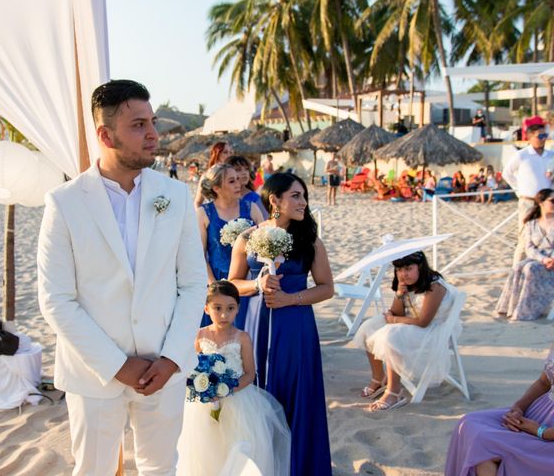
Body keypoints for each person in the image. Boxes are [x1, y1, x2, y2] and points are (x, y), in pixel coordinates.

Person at [37, 80, 207, 476]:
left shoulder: (176, 195)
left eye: (152, 122)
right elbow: (56, 299)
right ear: (104, 134)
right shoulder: (64, 203)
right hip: (94, 372)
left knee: (161, 467)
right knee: (93, 470)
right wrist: (116, 364)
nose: (152, 135)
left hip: (163, 368)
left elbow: (193, 283)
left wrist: (171, 358)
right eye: (138, 125)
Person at [229, 173, 334, 475]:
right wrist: (257, 285)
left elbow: (327, 287)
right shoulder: (247, 237)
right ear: (275, 200)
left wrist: (291, 299)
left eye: (304, 196)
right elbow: (232, 283)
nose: (303, 202)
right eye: (296, 196)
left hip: (295, 326)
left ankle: (298, 465)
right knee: (257, 388)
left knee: (295, 390)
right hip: (254, 323)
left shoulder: (310, 240)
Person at [176, 281, 291, 476]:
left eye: (230, 308)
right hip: (204, 404)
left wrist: (227, 388)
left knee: (236, 445)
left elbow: (250, 373)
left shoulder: (242, 337)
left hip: (238, 401)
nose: (223, 314)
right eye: (217, 308)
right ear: (206, 308)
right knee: (205, 449)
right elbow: (191, 368)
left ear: (238, 309)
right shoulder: (200, 335)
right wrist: (202, 387)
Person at [353, 251, 458, 411]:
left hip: (433, 331)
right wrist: (400, 294)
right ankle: (379, 377)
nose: (403, 274)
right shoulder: (408, 283)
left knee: (390, 335)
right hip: (412, 323)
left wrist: (394, 321)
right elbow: (397, 312)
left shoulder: (435, 286)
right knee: (369, 326)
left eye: (408, 269)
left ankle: (394, 391)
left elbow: (423, 322)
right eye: (399, 270)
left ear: (420, 267)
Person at [444, 343, 554, 476]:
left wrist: (540, 431)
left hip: (548, 435)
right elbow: (544, 383)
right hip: (539, 412)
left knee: (483, 444)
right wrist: (518, 407)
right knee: (468, 423)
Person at [197, 164, 264, 327]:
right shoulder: (204, 213)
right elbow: (199, 254)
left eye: (238, 180)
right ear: (217, 188)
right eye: (232, 181)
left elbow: (265, 241)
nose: (239, 185)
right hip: (217, 278)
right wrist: (214, 286)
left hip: (248, 280)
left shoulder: (252, 208)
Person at [496, 188, 554, 321]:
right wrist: (544, 259)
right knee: (518, 266)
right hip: (540, 258)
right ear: (541, 203)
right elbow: (529, 248)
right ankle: (511, 308)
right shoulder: (531, 224)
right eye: (552, 201)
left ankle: (526, 311)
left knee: (530, 268)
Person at [502, 124, 554, 264]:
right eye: (540, 136)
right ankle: (517, 271)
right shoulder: (522, 155)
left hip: (548, 202)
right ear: (530, 137)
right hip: (528, 201)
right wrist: (519, 190)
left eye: (545, 136)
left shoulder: (551, 155)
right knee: (525, 239)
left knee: (549, 237)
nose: (543, 139)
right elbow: (507, 173)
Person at [225, 154, 268, 219]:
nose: (244, 173)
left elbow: (265, 223)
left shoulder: (255, 199)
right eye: (238, 170)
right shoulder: (222, 197)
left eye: (246, 169)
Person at [194, 142, 233, 207]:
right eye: (225, 152)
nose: (229, 155)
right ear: (217, 154)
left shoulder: (235, 174)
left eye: (231, 152)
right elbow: (198, 202)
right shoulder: (207, 176)